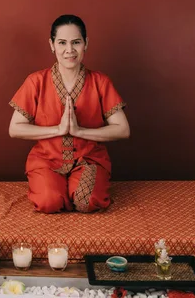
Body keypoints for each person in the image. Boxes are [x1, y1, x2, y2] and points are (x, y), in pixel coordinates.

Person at [8, 14, 130, 213]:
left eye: (76, 42)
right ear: (52, 44)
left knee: (87, 201)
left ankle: (72, 190)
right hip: (46, 160)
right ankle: (58, 190)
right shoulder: (36, 81)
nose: (69, 50)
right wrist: (58, 129)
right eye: (62, 42)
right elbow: (15, 128)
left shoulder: (100, 82)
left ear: (86, 43)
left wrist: (79, 131)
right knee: (50, 201)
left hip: (88, 160)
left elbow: (123, 129)